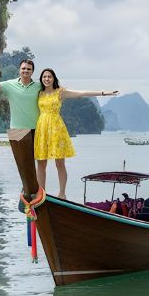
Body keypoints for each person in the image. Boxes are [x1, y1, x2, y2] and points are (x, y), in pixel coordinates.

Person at [33, 68, 119, 199]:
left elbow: (80, 93)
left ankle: (62, 193)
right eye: (44, 77)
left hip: (56, 128)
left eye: (49, 76)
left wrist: (103, 93)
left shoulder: (60, 92)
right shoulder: (38, 93)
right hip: (42, 129)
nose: (47, 79)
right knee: (41, 163)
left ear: (53, 78)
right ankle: (41, 193)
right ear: (41, 79)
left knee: (59, 163)